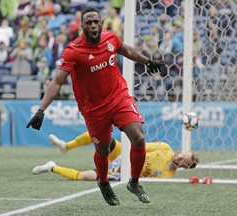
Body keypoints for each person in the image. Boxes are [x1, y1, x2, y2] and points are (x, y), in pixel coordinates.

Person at [26, 7, 165, 206]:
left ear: (101, 23)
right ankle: (103, 182)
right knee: (102, 149)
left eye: (96, 21)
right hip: (94, 109)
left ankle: (134, 182)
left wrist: (147, 61)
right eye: (88, 22)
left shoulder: (110, 38)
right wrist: (41, 110)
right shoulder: (73, 51)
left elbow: (127, 50)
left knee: (139, 137)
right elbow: (57, 82)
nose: (93, 25)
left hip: (119, 97)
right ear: (82, 26)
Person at [32, 133, 199, 180]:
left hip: (122, 172)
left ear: (185, 166)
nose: (181, 157)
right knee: (99, 134)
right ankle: (66, 146)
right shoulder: (165, 148)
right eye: (183, 154)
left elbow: (144, 179)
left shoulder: (168, 176)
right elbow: (139, 147)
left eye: (185, 160)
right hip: (122, 154)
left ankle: (51, 167)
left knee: (85, 176)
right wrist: (121, 159)